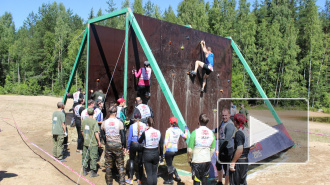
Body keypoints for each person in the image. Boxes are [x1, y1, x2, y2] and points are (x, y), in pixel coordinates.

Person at [187, 113, 216, 185]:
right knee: (205, 179)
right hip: (207, 160)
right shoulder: (211, 133)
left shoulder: (194, 132)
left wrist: (189, 159)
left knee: (196, 180)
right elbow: (212, 149)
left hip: (197, 160)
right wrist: (209, 157)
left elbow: (189, 150)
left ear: (199, 121)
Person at [102, 105, 126, 185]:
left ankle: (109, 182)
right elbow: (123, 136)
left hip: (109, 144)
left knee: (108, 165)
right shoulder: (119, 122)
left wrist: (106, 142)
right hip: (117, 144)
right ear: (115, 113)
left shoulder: (104, 122)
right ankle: (122, 182)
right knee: (120, 165)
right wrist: (123, 146)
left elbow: (102, 135)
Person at [163, 117, 189, 184]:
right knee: (170, 164)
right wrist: (186, 130)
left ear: (170, 122)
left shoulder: (168, 130)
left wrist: (163, 153)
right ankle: (177, 176)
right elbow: (185, 136)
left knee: (169, 166)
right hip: (175, 150)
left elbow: (165, 143)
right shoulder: (179, 130)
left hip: (168, 150)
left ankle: (171, 180)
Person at [138, 117, 163, 185]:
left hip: (147, 153)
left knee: (149, 174)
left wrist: (140, 135)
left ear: (147, 124)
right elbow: (161, 145)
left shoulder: (145, 132)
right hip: (155, 152)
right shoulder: (158, 132)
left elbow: (139, 141)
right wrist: (161, 155)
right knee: (154, 173)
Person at [213, 109, 235, 185]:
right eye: (223, 115)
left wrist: (219, 150)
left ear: (229, 115)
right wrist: (210, 131)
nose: (224, 117)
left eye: (226, 115)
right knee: (218, 165)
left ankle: (226, 183)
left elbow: (226, 140)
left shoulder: (230, 125)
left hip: (227, 150)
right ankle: (219, 181)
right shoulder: (223, 122)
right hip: (221, 149)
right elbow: (218, 129)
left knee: (227, 169)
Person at [126, 112, 147, 185]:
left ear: (134, 118)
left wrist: (128, 147)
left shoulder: (132, 126)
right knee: (140, 162)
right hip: (141, 144)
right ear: (141, 118)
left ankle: (131, 179)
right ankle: (139, 180)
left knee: (131, 160)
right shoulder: (145, 125)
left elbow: (129, 138)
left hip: (133, 144)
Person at [229, 113, 250, 185]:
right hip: (245, 160)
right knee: (242, 182)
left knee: (235, 182)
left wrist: (233, 162)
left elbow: (240, 150)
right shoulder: (247, 131)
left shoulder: (239, 133)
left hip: (239, 161)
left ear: (235, 122)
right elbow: (254, 145)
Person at [81, 107, 101, 177]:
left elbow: (82, 131)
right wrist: (99, 141)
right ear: (93, 113)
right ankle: (93, 172)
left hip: (86, 141)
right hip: (93, 143)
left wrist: (85, 138)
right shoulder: (94, 122)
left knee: (85, 156)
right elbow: (96, 133)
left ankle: (84, 170)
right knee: (93, 157)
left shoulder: (84, 120)